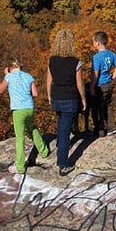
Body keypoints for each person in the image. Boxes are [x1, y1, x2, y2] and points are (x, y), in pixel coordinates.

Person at [46, 28, 87, 176]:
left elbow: (49, 80)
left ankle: (59, 145)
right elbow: (80, 84)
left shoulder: (51, 60)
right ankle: (63, 164)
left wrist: (49, 96)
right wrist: (83, 99)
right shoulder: (76, 62)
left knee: (62, 123)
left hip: (56, 97)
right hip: (69, 98)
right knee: (64, 132)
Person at [0, 60, 50, 175]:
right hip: (29, 108)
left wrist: (6, 75)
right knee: (33, 129)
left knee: (20, 138)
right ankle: (44, 150)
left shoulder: (9, 77)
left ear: (10, 68)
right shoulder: (28, 76)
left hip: (18, 109)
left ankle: (20, 166)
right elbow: (35, 94)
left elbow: (0, 90)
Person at [90, 30, 116, 137]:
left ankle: (99, 129)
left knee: (96, 108)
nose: (93, 44)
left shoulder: (96, 57)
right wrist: (113, 77)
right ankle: (112, 126)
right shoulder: (111, 54)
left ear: (97, 43)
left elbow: (95, 74)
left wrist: (92, 87)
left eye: (93, 42)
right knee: (107, 105)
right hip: (109, 83)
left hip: (100, 85)